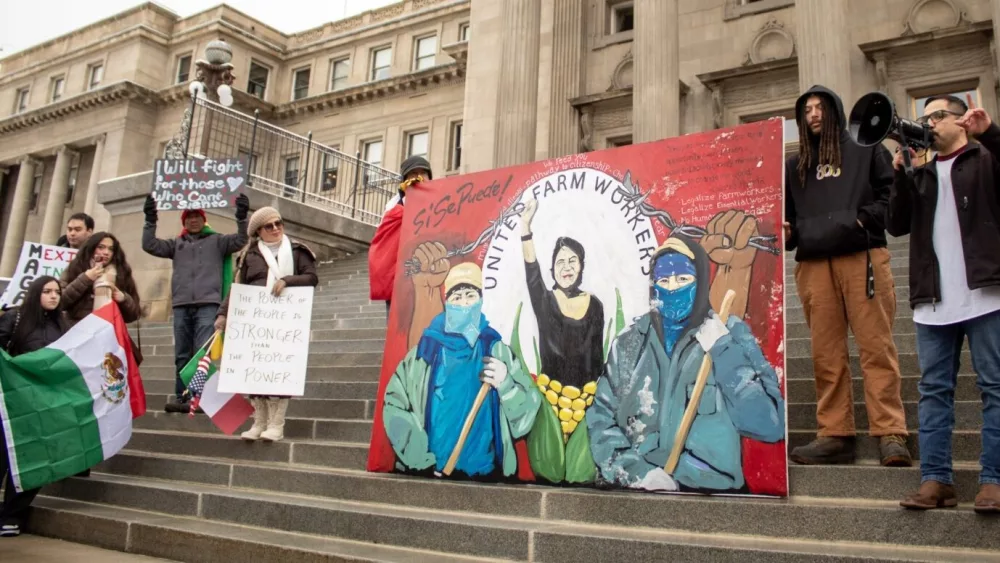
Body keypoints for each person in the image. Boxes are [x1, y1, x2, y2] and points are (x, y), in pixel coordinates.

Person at [587, 236, 785, 493]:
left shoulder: (731, 334)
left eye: (682, 279)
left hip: (712, 495)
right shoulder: (629, 344)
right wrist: (639, 474)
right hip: (641, 490)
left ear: (700, 281)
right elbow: (600, 419)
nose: (671, 288)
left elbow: (769, 424)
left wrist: (724, 350)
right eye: (663, 280)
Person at [784, 84, 911, 467]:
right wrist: (787, 232)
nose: (814, 115)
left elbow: (890, 197)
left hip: (863, 256)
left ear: (836, 110)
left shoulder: (866, 148)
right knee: (826, 353)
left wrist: (859, 220)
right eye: (806, 111)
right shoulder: (796, 166)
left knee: (876, 347)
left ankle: (890, 431)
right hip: (814, 264)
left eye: (821, 107)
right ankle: (835, 433)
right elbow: (788, 218)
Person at [887, 96, 1000, 513]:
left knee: (996, 388)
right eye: (925, 116)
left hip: (986, 294)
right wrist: (902, 174)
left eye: (937, 115)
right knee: (933, 391)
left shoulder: (985, 158)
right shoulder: (923, 173)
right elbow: (895, 225)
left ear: (963, 122)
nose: (929, 122)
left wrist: (991, 133)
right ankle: (936, 479)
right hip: (933, 301)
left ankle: (994, 481)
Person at [382, 244, 540, 479]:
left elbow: (528, 410)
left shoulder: (497, 350)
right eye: (457, 296)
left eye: (470, 295)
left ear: (480, 300)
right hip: (432, 469)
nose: (464, 303)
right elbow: (394, 403)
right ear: (447, 302)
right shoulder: (424, 352)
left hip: (487, 472)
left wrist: (506, 384)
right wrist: (418, 458)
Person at [214, 207, 318, 442]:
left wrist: (287, 280)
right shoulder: (248, 255)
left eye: (278, 223)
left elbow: (311, 277)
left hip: (285, 321)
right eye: (269, 226)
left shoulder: (297, 250)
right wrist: (223, 314)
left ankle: (276, 424)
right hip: (255, 320)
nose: (275, 228)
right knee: (254, 370)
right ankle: (259, 422)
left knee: (279, 371)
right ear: (258, 231)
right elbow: (237, 288)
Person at [142, 193, 249, 412]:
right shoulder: (176, 245)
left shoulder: (218, 241)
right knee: (182, 353)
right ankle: (182, 396)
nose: (193, 220)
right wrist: (150, 219)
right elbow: (149, 244)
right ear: (184, 221)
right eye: (188, 217)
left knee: (202, 352)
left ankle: (200, 397)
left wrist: (241, 217)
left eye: (197, 216)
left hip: (208, 304)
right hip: (181, 305)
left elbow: (241, 240)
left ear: (204, 219)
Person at [0, 276, 69, 537]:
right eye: (47, 291)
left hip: (43, 403)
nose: (53, 296)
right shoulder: (15, 318)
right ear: (35, 293)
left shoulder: (63, 325)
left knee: (33, 462)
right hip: (11, 400)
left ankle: (12, 516)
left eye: (57, 292)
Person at [369, 156, 433, 317]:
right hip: (401, 276)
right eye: (413, 174)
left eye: (422, 173)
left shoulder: (440, 199)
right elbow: (386, 237)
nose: (418, 177)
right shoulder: (393, 206)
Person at [60, 232, 141, 327]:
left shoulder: (122, 272)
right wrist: (84, 279)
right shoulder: (74, 267)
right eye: (101, 247)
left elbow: (134, 315)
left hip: (107, 333)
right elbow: (60, 302)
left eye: (111, 249)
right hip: (76, 331)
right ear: (91, 248)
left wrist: (124, 299)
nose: (106, 252)